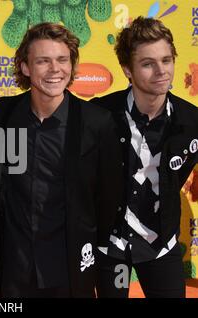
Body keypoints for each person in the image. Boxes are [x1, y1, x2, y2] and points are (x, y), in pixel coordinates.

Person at [0, 22, 121, 298]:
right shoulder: (4, 114)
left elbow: (108, 201)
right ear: (25, 67)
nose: (55, 69)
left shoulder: (96, 122)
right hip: (13, 270)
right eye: (43, 61)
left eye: (62, 59)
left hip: (68, 270)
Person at [91, 16, 198, 298]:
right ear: (127, 69)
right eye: (148, 63)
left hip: (161, 246)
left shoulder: (192, 121)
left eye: (166, 60)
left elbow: (178, 176)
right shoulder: (98, 116)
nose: (161, 71)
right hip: (111, 248)